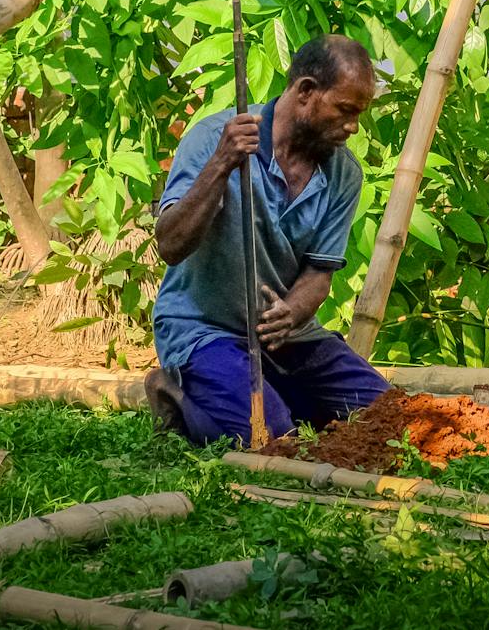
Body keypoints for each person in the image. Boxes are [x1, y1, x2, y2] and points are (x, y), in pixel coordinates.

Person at [146, 35, 389, 445]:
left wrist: (290, 313)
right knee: (268, 436)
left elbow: (319, 272)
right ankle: (178, 395)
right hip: (204, 329)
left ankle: (280, 395)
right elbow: (170, 246)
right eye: (345, 110)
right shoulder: (212, 139)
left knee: (391, 415)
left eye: (359, 114)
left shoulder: (344, 173)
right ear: (306, 91)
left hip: (288, 339)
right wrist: (222, 164)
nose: (352, 126)